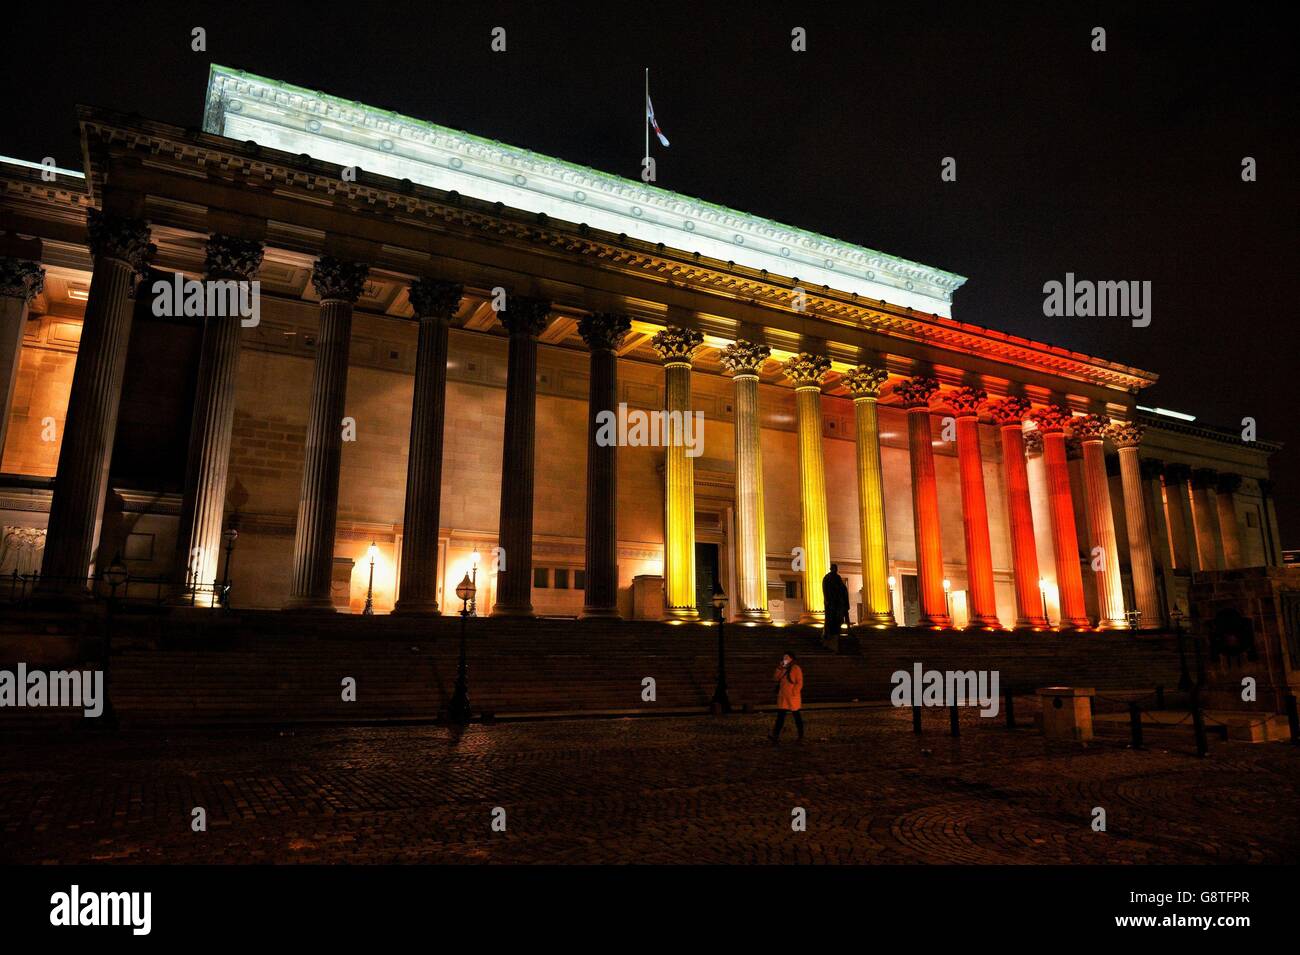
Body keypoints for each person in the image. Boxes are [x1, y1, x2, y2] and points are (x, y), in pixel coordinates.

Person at [769, 651, 804, 742]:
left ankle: (801, 734)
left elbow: (799, 682)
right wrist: (779, 668)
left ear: (791, 659)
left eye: (787, 657)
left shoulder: (796, 668)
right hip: (783, 696)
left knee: (797, 716)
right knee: (780, 717)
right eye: (784, 657)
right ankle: (775, 735)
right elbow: (775, 678)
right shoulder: (783, 668)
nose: (785, 659)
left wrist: (794, 692)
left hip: (792, 696)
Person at [822, 564, 850, 644]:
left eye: (836, 568)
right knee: (831, 618)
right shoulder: (827, 578)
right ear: (831, 569)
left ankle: (837, 631)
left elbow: (842, 588)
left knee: (838, 618)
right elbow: (825, 590)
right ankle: (830, 633)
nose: (835, 570)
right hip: (831, 603)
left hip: (838, 603)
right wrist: (827, 600)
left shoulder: (838, 577)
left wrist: (844, 601)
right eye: (834, 568)